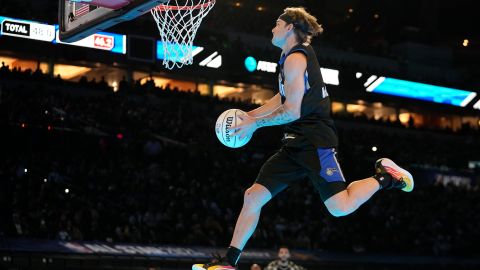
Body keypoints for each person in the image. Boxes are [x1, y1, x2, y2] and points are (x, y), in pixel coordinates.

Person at [192, 6, 413, 270]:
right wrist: (249, 116)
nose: (272, 27)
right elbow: (281, 97)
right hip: (294, 142)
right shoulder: (287, 58)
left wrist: (255, 125)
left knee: (340, 207)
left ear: (289, 28)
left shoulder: (297, 58)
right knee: (253, 196)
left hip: (316, 141)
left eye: (277, 22)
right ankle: (229, 262)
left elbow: (292, 110)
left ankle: (386, 176)